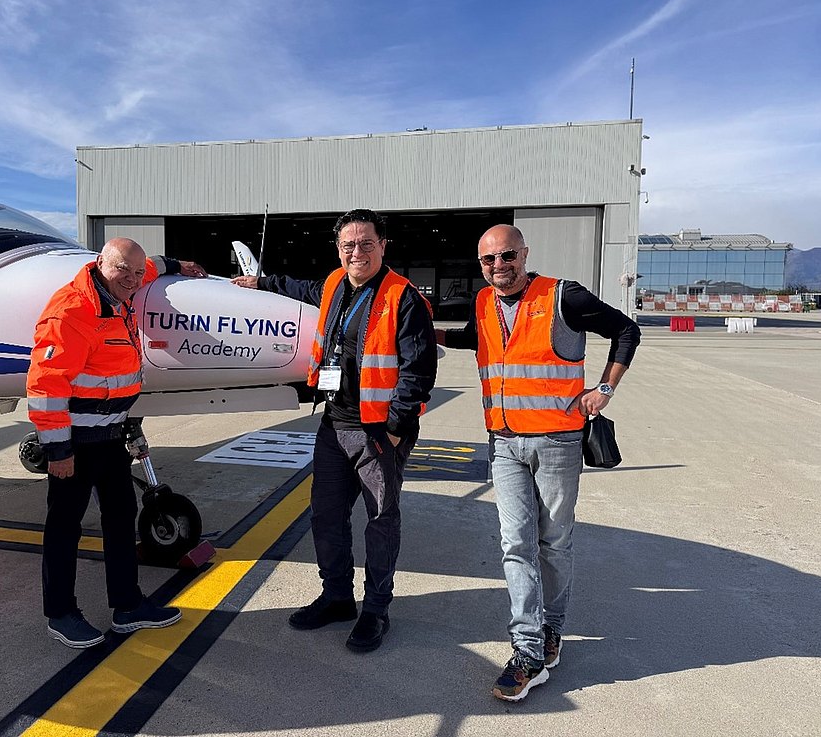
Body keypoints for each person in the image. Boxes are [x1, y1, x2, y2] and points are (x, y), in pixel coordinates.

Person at [437, 224, 640, 701]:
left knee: (554, 543)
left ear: (524, 253)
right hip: (503, 441)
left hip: (557, 442)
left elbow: (626, 330)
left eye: (507, 256)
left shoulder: (563, 296)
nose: (498, 266)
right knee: (515, 544)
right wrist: (428, 330)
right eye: (488, 260)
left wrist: (604, 389)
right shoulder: (484, 302)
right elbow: (476, 339)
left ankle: (552, 628)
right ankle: (528, 650)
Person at [232, 209, 437, 652]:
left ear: (384, 246)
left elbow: (418, 372)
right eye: (348, 245)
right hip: (335, 423)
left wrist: (397, 429)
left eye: (366, 243)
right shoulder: (333, 284)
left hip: (379, 432)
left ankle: (376, 610)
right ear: (338, 248)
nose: (356, 252)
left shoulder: (403, 299)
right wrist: (261, 282)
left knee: (380, 521)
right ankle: (337, 596)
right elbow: (298, 288)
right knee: (325, 515)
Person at [27, 237, 207, 648]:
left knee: (122, 519)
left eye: (138, 273)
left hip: (109, 436)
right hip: (75, 439)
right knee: (64, 528)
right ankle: (60, 613)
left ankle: (128, 606)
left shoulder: (121, 289)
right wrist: (57, 449)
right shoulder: (72, 311)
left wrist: (178, 262)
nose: (132, 280)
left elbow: (146, 267)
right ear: (99, 264)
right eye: (122, 270)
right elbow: (45, 384)